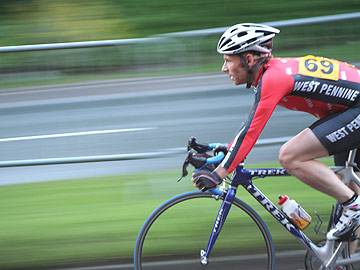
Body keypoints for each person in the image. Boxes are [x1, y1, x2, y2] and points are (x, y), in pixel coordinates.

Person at [192, 23, 360, 240]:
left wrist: (218, 174)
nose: (224, 68)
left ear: (249, 59)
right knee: (345, 188)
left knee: (290, 156)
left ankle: (353, 207)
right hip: (350, 111)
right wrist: (227, 152)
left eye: (227, 60)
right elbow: (248, 128)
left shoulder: (274, 78)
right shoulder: (273, 74)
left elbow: (252, 131)